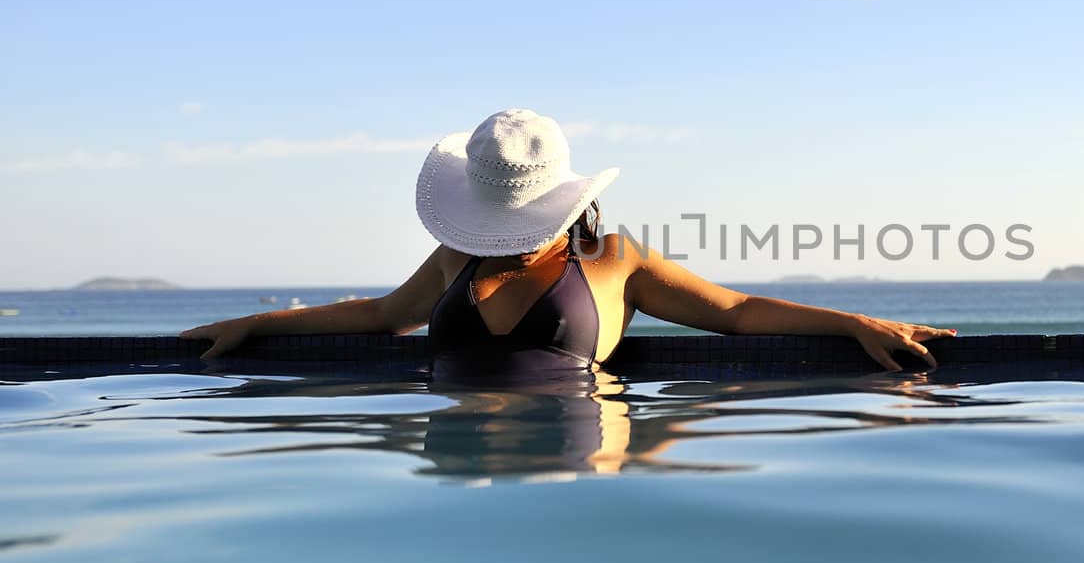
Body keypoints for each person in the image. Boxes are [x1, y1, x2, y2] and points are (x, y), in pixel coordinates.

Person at [182, 108, 953, 377]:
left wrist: (856, 323)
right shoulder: (459, 256)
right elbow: (381, 315)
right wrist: (254, 324)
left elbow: (739, 312)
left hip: (575, 469)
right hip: (456, 476)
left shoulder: (616, 260)